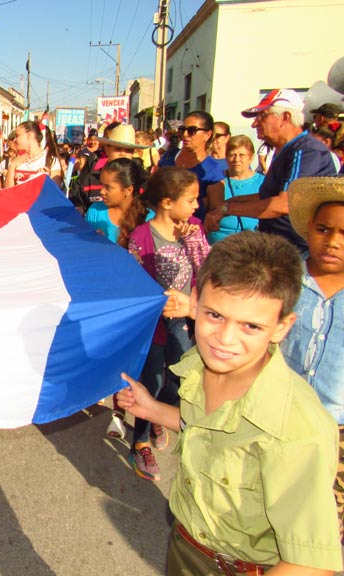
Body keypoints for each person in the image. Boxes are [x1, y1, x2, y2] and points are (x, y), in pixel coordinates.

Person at [117, 231, 341, 575]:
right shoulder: (197, 366)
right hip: (184, 544)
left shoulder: (298, 428)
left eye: (251, 326)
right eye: (215, 316)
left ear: (281, 327)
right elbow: (210, 427)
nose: (224, 339)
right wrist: (152, 410)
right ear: (196, 301)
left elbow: (309, 563)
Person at [123, 167, 210, 481]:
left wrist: (194, 241)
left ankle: (161, 413)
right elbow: (133, 284)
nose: (196, 206)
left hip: (187, 325)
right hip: (155, 328)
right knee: (152, 381)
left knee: (180, 383)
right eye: (191, 199)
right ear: (167, 203)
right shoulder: (141, 236)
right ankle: (140, 441)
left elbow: (207, 271)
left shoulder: (195, 229)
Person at [283, 176, 344, 540]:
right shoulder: (287, 279)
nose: (333, 241)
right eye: (324, 229)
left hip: (336, 426)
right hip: (281, 412)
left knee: (326, 515)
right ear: (309, 230)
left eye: (343, 233)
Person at [205, 89, 337, 251]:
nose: (255, 124)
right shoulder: (285, 150)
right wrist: (229, 203)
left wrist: (227, 209)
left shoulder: (306, 151)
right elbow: (267, 196)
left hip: (299, 252)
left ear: (285, 118)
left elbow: (284, 204)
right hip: (280, 248)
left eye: (262, 116)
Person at [158, 111, 224, 221]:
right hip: (160, 225)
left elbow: (215, 210)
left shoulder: (212, 169)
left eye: (192, 130)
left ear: (207, 135)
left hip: (190, 230)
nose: (185, 134)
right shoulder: (169, 155)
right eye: (183, 129)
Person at [75, 124, 148, 211]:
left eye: (128, 150)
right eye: (118, 149)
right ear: (107, 149)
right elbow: (78, 202)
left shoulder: (143, 180)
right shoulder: (92, 178)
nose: (122, 154)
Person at [205, 135, 261, 244]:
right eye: (232, 155)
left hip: (250, 243)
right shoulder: (216, 180)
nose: (236, 160)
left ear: (251, 157)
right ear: (226, 157)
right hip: (218, 243)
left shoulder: (263, 182)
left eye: (242, 155)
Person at [84, 158, 147, 246]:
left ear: (128, 190)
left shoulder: (147, 218)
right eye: (102, 185)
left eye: (108, 187)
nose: (102, 191)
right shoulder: (95, 211)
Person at [5, 121, 63, 188]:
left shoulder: (50, 160)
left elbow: (55, 191)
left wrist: (47, 179)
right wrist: (12, 166)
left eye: (17, 135)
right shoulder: (17, 160)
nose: (14, 140)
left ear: (29, 134)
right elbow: (8, 191)